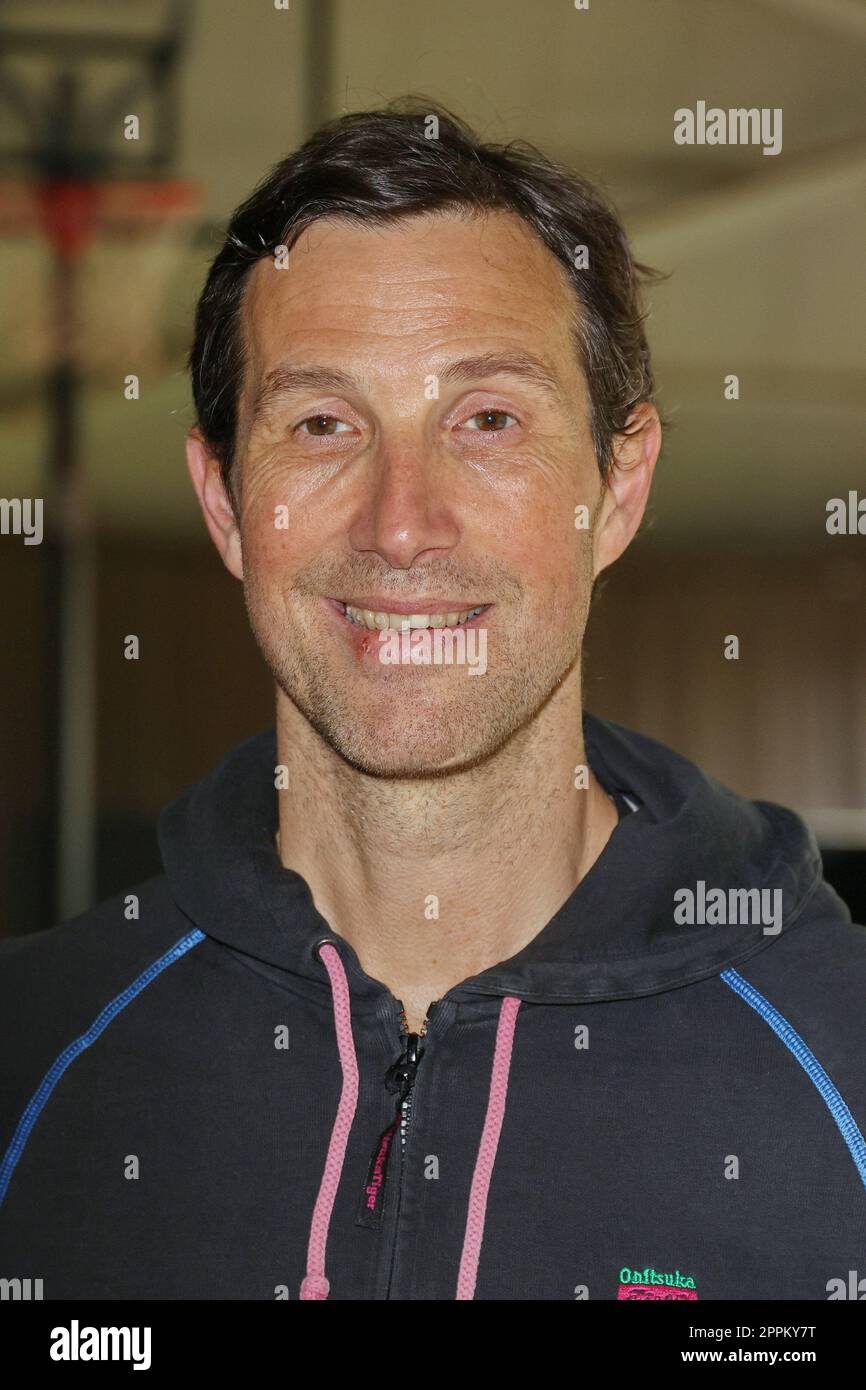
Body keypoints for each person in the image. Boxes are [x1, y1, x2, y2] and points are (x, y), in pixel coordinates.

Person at [1, 101, 864, 1302]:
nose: (400, 524)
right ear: (224, 505)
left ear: (616, 490)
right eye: (321, 423)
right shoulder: (34, 1055)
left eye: (487, 419)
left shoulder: (842, 1063)